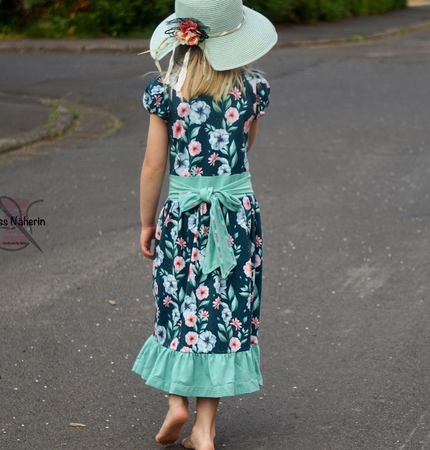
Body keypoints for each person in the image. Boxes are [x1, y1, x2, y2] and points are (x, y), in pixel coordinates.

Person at [132, 1, 277, 448]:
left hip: (182, 212)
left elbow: (154, 165)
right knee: (222, 313)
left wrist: (147, 222)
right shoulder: (254, 88)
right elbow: (245, 147)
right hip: (235, 215)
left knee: (178, 304)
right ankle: (204, 428)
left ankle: (177, 401)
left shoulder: (164, 91)